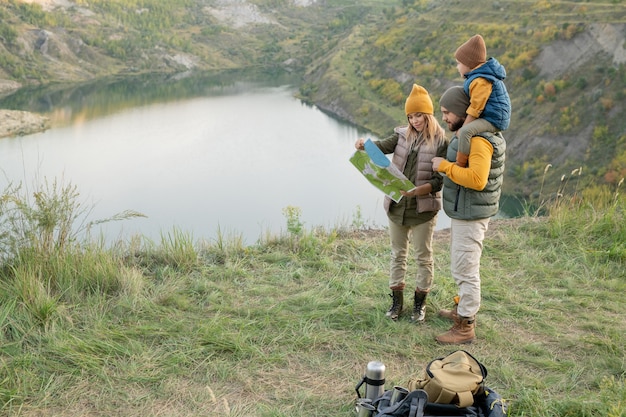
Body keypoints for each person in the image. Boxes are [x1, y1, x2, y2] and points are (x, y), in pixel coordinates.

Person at [355, 84, 448, 322]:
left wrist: (421, 190)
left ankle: (419, 306)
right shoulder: (401, 135)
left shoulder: (441, 142)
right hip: (397, 206)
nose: (415, 120)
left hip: (423, 210)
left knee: (423, 257)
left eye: (419, 115)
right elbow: (380, 148)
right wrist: (364, 144)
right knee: (398, 255)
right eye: (410, 116)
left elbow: (440, 180)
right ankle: (396, 304)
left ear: (428, 114)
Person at [431, 86, 506, 344]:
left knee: (466, 269)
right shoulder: (469, 135)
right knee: (460, 264)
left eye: (447, 113)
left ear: (463, 112)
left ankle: (465, 326)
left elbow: (476, 179)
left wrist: (444, 167)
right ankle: (461, 310)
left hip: (471, 214)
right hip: (466, 211)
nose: (444, 118)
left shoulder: (479, 140)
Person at [453, 34, 510, 168]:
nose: (457, 67)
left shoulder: (481, 81)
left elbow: (476, 108)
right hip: (491, 115)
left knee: (466, 132)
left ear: (468, 64)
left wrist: (463, 127)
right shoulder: (478, 77)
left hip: (494, 118)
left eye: (459, 63)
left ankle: (459, 164)